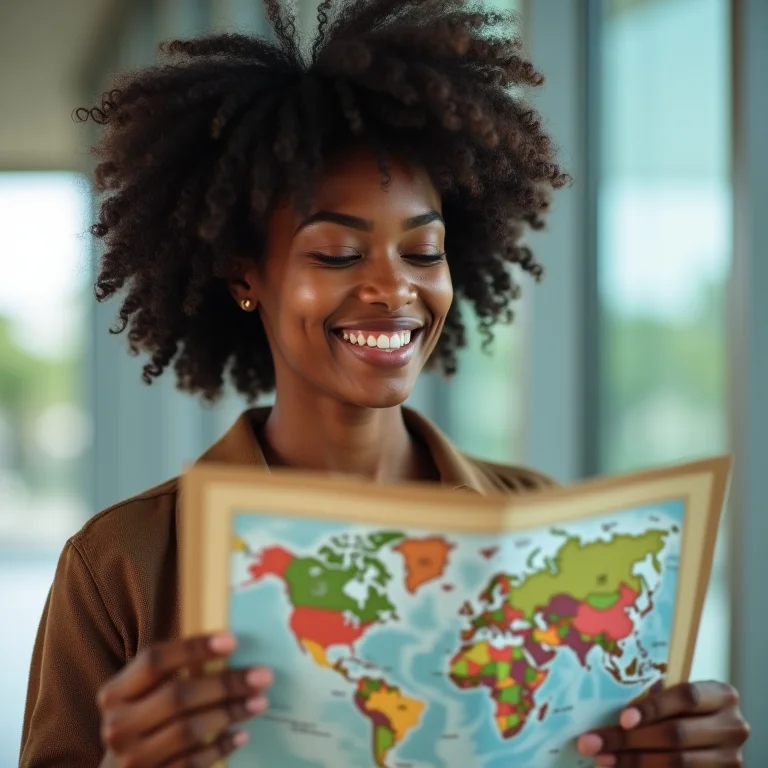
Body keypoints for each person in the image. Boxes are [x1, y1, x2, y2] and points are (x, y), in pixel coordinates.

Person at [20, 1, 749, 766]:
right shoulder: (120, 565)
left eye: (423, 252)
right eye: (337, 253)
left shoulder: (545, 527)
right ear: (245, 277)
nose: (393, 290)